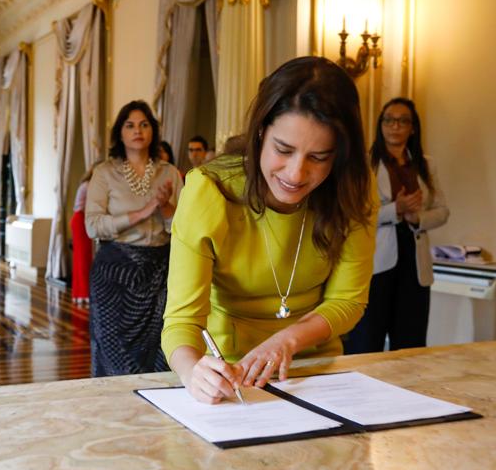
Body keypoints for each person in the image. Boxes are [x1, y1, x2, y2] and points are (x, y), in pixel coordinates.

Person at [162, 56, 376, 404]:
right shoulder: (209, 190)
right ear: (260, 132)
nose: (295, 174)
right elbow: (181, 321)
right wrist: (191, 372)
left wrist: (288, 340)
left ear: (339, 155)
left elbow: (348, 301)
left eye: (318, 157)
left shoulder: (353, 191)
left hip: (318, 370)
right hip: (230, 373)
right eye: (283, 150)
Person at [85, 100, 183, 376]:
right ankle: (114, 400)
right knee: (112, 350)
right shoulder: (105, 173)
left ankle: (155, 399)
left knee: (158, 347)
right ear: (120, 132)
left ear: (153, 131)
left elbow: (183, 228)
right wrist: (141, 213)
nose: (137, 131)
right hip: (115, 271)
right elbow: (92, 226)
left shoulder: (169, 172)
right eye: (130, 125)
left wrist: (165, 207)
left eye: (144, 124)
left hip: (159, 271)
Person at [344, 97, 448, 353]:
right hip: (377, 263)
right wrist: (396, 209)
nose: (395, 126)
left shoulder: (425, 164)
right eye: (389, 120)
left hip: (414, 263)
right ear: (380, 125)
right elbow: (354, 214)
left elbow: (442, 212)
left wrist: (417, 218)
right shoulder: (366, 164)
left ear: (412, 128)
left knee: (411, 344)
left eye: (403, 121)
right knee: (367, 341)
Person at [70, 166, 95, 306]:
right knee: (83, 257)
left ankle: (79, 293)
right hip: (81, 220)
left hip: (80, 219)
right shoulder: (89, 186)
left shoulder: (86, 184)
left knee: (81, 257)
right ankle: (83, 293)